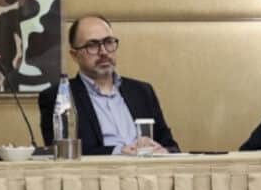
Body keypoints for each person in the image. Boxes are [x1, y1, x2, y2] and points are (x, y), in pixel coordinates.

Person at [38, 15, 179, 155]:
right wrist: (118, 152)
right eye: (92, 45)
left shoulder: (142, 91)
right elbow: (63, 152)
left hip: (147, 169)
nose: (104, 52)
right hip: (99, 170)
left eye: (108, 42)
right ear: (75, 55)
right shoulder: (58, 97)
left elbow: (171, 145)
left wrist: (164, 151)